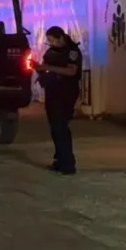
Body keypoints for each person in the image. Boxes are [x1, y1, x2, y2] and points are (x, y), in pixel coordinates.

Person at [35, 25, 82, 175]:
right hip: (52, 91)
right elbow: (47, 66)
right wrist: (39, 68)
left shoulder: (72, 51)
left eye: (52, 40)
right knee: (56, 129)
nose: (50, 43)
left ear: (61, 37)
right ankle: (60, 160)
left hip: (65, 92)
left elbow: (71, 71)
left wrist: (49, 67)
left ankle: (67, 164)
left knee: (60, 128)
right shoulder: (52, 51)